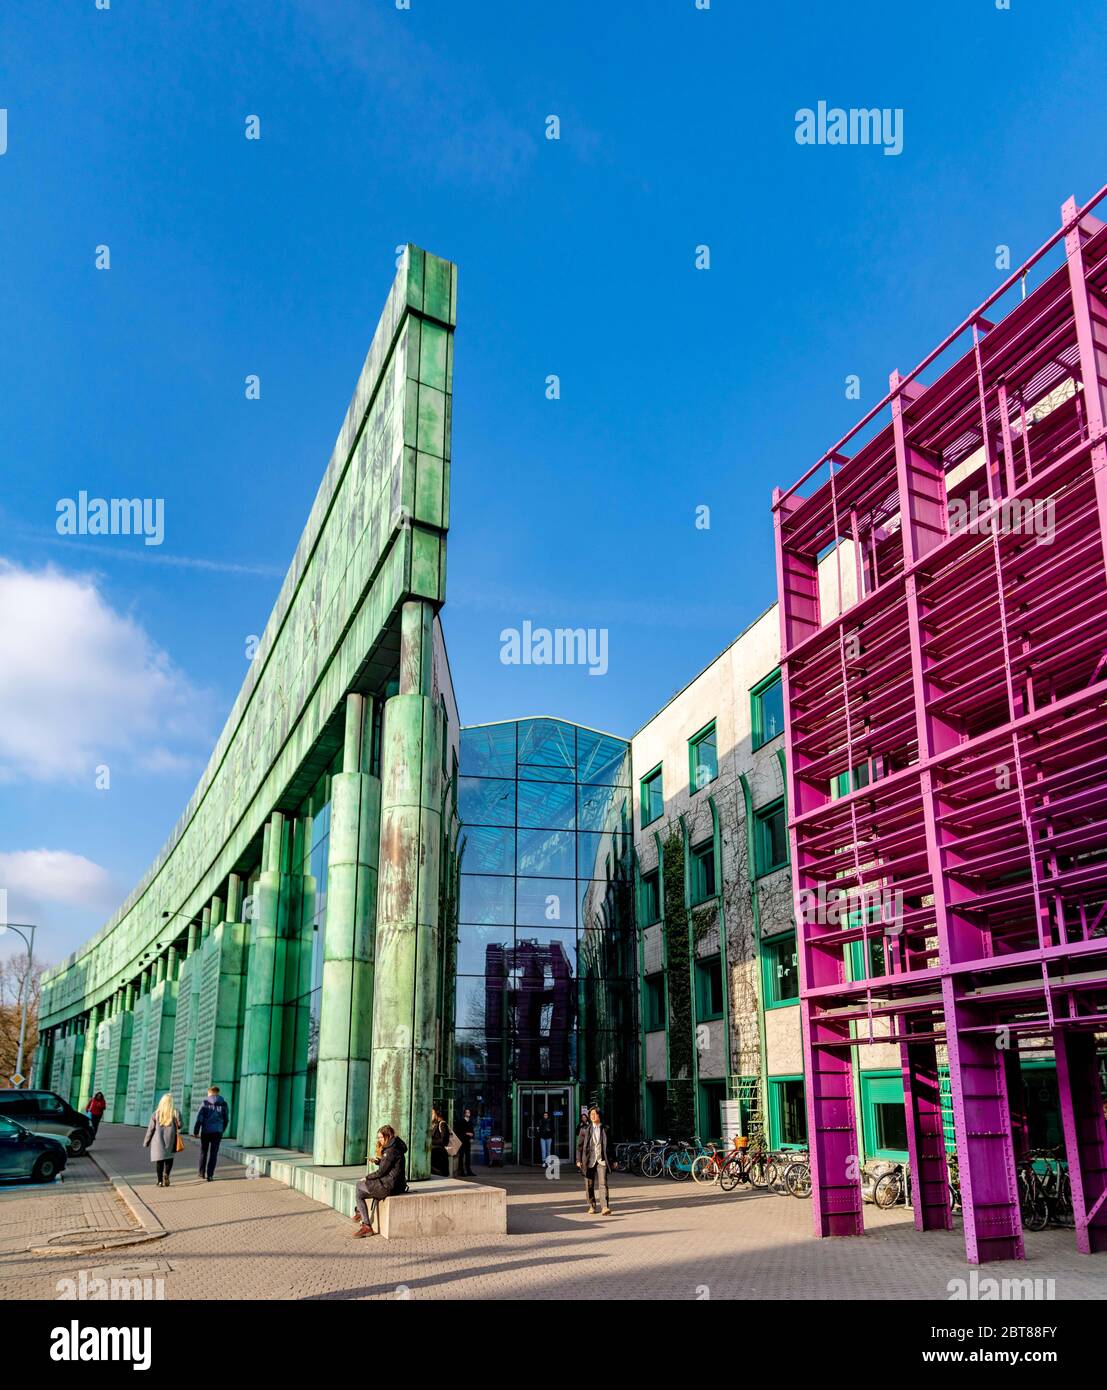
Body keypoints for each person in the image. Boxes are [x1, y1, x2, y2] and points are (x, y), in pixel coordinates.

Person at [353, 1126, 407, 1238]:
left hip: (389, 1185)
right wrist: (378, 1161)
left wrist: (367, 1177)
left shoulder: (391, 1150)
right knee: (360, 1193)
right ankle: (362, 1216)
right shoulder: (394, 1146)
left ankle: (365, 1223)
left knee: (359, 1185)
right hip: (393, 1183)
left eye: (381, 1137)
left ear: (387, 1136)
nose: (379, 1140)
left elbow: (381, 1172)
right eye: (378, 1137)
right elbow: (388, 1165)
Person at [575, 1105, 613, 1215]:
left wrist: (614, 1160)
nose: (592, 1116)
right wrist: (578, 1160)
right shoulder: (584, 1129)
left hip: (601, 1160)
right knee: (589, 1184)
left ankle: (605, 1207)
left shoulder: (606, 1129)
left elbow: (610, 1145)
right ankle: (592, 1206)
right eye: (591, 1114)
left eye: (594, 1114)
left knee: (603, 1184)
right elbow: (579, 1147)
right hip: (588, 1160)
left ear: (599, 1115)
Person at [143, 1093, 182, 1187]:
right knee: (169, 1159)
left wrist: (146, 1142)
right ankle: (166, 1174)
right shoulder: (175, 1112)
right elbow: (181, 1125)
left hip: (158, 1141)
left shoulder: (156, 1114)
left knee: (159, 1161)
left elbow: (151, 1129)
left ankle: (160, 1181)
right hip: (171, 1139)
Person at [192, 1085, 230, 1182]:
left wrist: (196, 1131)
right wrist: (222, 1129)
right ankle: (210, 1175)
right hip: (217, 1131)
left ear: (209, 1092)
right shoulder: (224, 1104)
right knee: (214, 1153)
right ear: (218, 1092)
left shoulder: (205, 1103)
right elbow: (226, 1119)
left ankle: (201, 1173)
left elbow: (199, 1118)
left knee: (203, 1152)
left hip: (206, 1131)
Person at [430, 1104, 451, 1177]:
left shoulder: (442, 1124)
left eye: (432, 1113)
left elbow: (444, 1141)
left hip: (440, 1158)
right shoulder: (433, 1125)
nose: (430, 1115)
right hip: (435, 1157)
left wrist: (430, 1141)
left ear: (436, 1113)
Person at [455, 1106, 475, 1177]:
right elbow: (457, 1131)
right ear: (464, 1114)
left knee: (468, 1156)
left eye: (469, 1112)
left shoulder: (470, 1122)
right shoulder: (460, 1121)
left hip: (467, 1141)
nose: (468, 1113)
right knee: (461, 1156)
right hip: (462, 1141)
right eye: (467, 1112)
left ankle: (469, 1171)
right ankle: (462, 1171)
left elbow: (472, 1131)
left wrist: (472, 1136)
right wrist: (466, 1133)